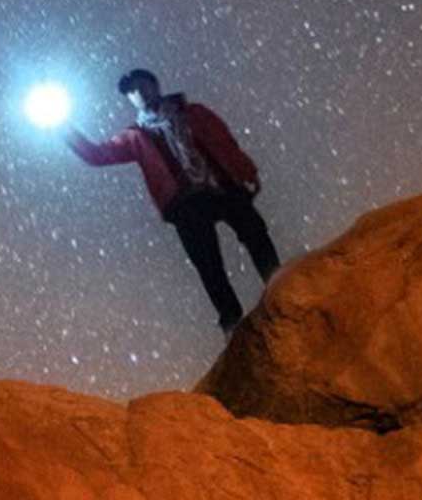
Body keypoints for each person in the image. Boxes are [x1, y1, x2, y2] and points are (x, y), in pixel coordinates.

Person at [63, 68, 282, 332]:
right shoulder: (135, 136)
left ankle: (281, 288)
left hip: (221, 185)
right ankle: (232, 322)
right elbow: (97, 155)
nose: (138, 92)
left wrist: (246, 170)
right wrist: (64, 128)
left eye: (142, 85)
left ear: (155, 85)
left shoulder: (194, 112)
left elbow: (225, 141)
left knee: (255, 233)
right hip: (184, 203)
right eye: (131, 91)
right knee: (208, 264)